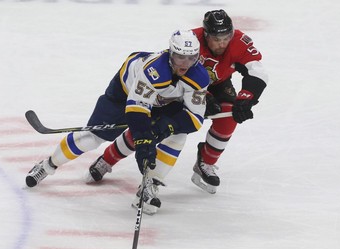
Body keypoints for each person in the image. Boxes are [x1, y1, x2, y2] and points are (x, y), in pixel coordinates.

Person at [25, 29, 210, 214]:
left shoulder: (199, 76)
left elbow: (194, 117)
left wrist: (165, 128)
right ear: (170, 53)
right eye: (180, 57)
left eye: (191, 58)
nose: (185, 64)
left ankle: (148, 187)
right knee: (91, 138)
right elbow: (137, 108)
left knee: (178, 136)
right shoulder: (154, 71)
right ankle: (48, 165)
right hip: (123, 95)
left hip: (159, 101)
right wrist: (144, 138)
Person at [86, 9, 268, 195]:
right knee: (151, 128)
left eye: (226, 37)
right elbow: (172, 67)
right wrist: (206, 99)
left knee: (228, 117)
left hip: (217, 85)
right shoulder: (192, 41)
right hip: (186, 87)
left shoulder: (239, 41)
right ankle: (108, 159)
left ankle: (205, 162)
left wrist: (247, 98)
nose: (222, 43)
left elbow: (257, 71)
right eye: (216, 38)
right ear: (205, 35)